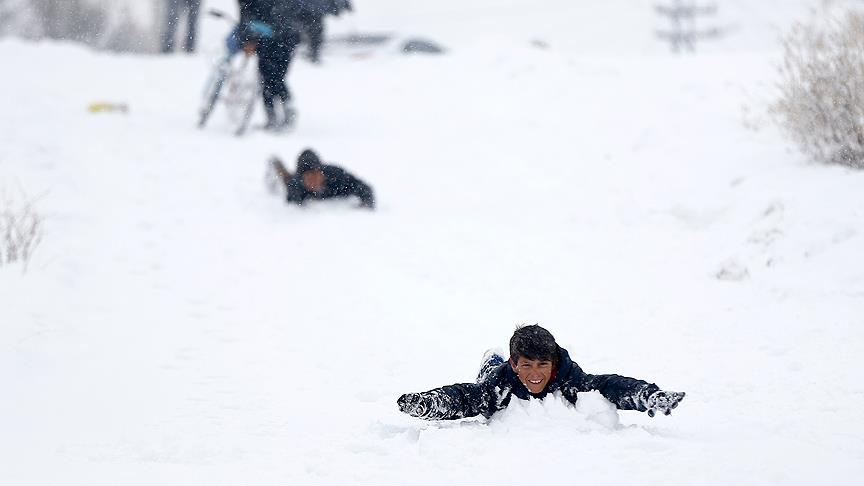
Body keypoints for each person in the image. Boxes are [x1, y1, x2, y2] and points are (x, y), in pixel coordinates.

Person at [397, 324, 685, 420]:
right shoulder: (499, 384)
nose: (535, 374)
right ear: (515, 364)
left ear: (554, 364)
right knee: (486, 373)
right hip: (496, 371)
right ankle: (491, 357)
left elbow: (611, 385)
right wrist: (428, 403)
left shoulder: (571, 379)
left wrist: (649, 396)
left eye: (542, 365)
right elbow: (462, 397)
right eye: (527, 365)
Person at [237, 0, 303, 129]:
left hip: (274, 40)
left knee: (271, 78)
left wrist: (248, 37)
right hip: (281, 39)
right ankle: (283, 111)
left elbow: (246, 17)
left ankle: (276, 115)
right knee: (274, 78)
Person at [270, 149, 375, 208]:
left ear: (321, 172)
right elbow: (292, 207)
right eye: (309, 177)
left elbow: (364, 188)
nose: (314, 181)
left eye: (316, 175)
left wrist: (366, 202)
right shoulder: (296, 186)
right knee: (286, 178)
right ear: (302, 179)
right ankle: (278, 165)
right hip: (292, 180)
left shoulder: (336, 176)